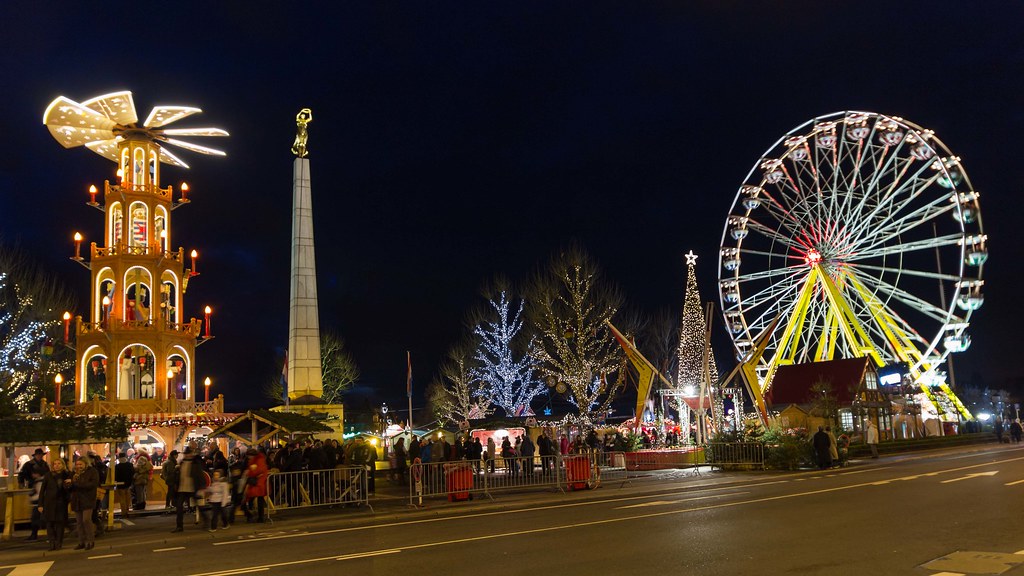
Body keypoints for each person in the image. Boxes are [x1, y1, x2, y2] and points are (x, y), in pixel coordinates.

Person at [172, 446, 206, 532]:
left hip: (192, 488)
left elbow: (200, 476)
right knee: (179, 507)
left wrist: (202, 487)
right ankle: (179, 526)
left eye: (189, 453)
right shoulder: (182, 463)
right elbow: (179, 476)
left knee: (198, 506)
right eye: (186, 454)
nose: (188, 455)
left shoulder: (195, 463)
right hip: (182, 488)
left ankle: (206, 521)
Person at [39, 457, 70, 550]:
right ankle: (52, 543)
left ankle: (58, 543)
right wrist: (40, 504)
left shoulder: (66, 475)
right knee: (50, 524)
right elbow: (42, 490)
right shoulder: (48, 475)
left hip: (61, 503)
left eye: (59, 464)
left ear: (62, 465)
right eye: (55, 464)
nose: (56, 466)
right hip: (49, 503)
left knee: (60, 524)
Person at [69, 456, 99, 550]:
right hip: (76, 500)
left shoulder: (92, 472)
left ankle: (90, 541)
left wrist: (75, 483)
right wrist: (69, 483)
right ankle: (81, 542)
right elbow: (70, 486)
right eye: (77, 464)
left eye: (80, 464)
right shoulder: (74, 473)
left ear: (86, 464)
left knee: (86, 520)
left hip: (88, 499)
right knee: (79, 522)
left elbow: (91, 485)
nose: (78, 466)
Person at [243, 448, 269, 523]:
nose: (248, 457)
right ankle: (259, 517)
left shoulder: (256, 461)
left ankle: (256, 516)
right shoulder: (259, 460)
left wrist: (249, 472)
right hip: (259, 483)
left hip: (258, 483)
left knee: (252, 499)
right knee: (258, 500)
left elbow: (256, 471)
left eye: (249, 456)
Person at [113, 453, 134, 519]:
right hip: (128, 484)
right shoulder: (130, 465)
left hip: (120, 484)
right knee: (128, 498)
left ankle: (123, 512)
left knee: (122, 499)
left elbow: (115, 476)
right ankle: (127, 510)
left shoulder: (117, 466)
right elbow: (133, 473)